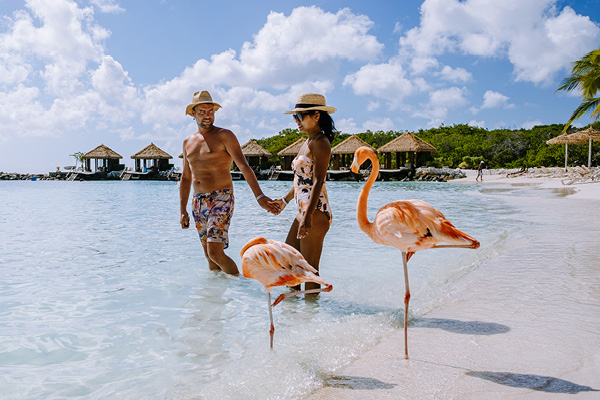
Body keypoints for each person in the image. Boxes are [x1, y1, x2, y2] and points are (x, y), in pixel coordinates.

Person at [180, 90, 279, 275]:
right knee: (209, 257)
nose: (207, 115)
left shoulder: (225, 136)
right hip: (198, 201)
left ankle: (241, 288)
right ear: (193, 113)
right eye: (202, 111)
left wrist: (259, 196)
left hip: (221, 197)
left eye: (210, 110)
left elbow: (244, 166)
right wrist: (182, 210)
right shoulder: (187, 142)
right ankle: (216, 299)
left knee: (215, 252)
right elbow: (185, 178)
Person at [273, 93, 336, 292]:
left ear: (316, 116)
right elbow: (302, 181)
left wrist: (307, 216)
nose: (297, 121)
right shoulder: (306, 142)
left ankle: (312, 317)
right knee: (289, 264)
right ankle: (295, 318)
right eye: (295, 117)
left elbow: (318, 181)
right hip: (303, 211)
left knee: (310, 272)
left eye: (300, 117)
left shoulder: (321, 142)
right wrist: (284, 200)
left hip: (314, 212)